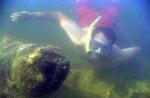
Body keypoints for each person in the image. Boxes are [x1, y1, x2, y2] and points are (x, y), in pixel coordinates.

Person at [10, 0, 141, 67]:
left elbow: (137, 50)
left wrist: (114, 62)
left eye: (105, 48)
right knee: (82, 2)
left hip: (106, 24)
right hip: (87, 21)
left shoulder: (115, 53)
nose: (99, 51)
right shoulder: (79, 38)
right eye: (96, 45)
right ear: (90, 40)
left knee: (114, 7)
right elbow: (59, 16)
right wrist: (30, 15)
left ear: (111, 47)